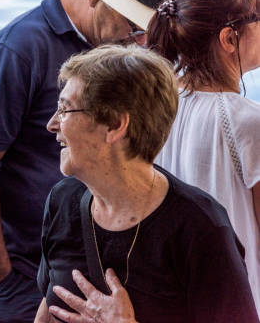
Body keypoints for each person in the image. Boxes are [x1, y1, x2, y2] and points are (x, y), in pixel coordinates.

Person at [0, 0, 186, 322]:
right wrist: (0, 282)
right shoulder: (14, 52)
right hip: (24, 269)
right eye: (133, 26)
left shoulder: (124, 47)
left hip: (102, 259)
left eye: (149, 32)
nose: (143, 43)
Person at [35, 45, 258, 323]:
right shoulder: (62, 200)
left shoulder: (201, 229)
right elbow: (48, 305)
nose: (52, 124)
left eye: (65, 109)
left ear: (115, 125)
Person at [149, 0, 260, 312]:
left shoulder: (154, 105)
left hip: (169, 298)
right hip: (233, 302)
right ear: (230, 38)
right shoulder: (245, 120)